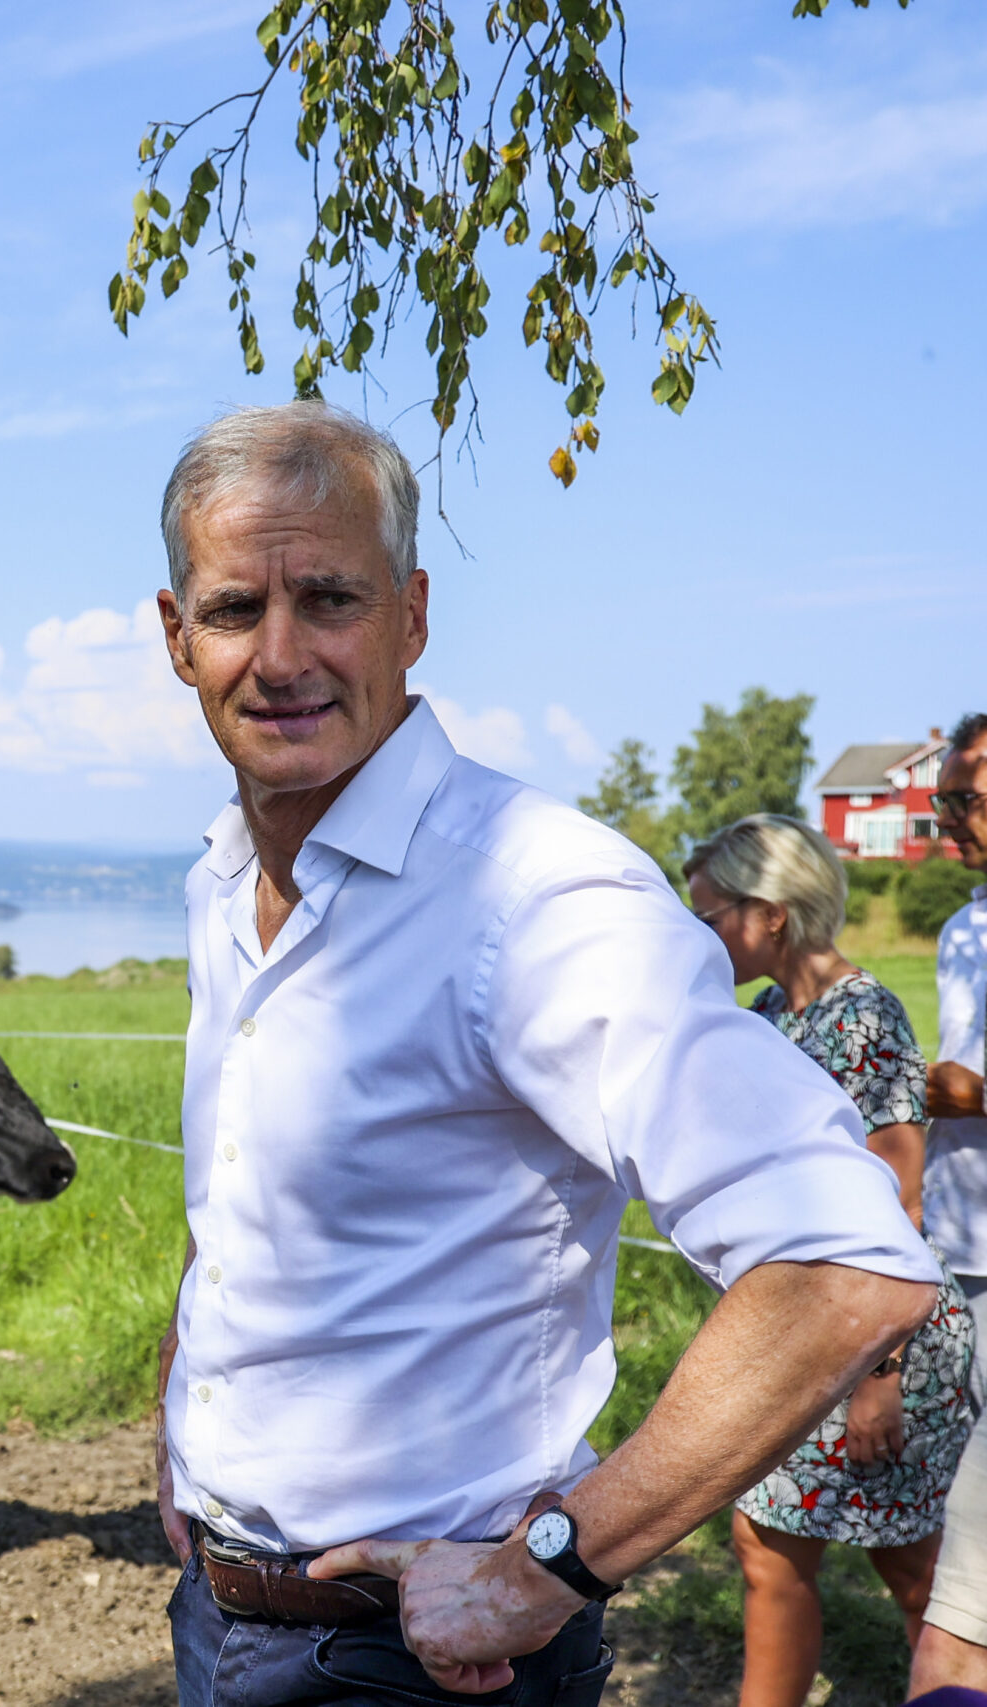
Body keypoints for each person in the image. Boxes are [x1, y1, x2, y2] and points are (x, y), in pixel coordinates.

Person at [148, 399, 940, 1707]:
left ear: (411, 615)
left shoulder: (534, 898)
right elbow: (240, 1193)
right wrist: (186, 1416)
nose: (280, 654)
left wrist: (545, 1568)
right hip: (223, 1610)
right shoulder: (224, 881)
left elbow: (844, 1259)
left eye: (329, 599)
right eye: (235, 609)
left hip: (428, 1660)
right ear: (178, 637)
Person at [684, 814, 974, 1707]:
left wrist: (878, 1376)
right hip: (802, 1332)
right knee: (768, 1546)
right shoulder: (773, 1014)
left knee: (918, 1569)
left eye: (709, 915)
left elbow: (900, 1199)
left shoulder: (866, 1016)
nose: (698, 935)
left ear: (770, 912)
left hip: (878, 1339)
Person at [906, 713, 987, 1692]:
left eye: (966, 797)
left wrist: (971, 1095)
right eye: (943, 797)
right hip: (962, 1239)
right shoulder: (965, 926)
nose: (948, 817)